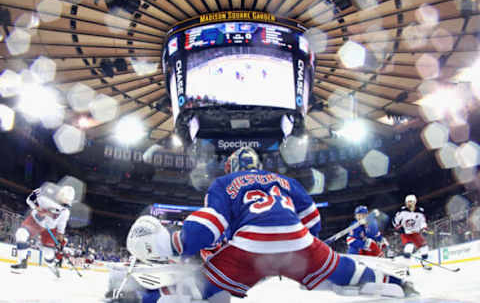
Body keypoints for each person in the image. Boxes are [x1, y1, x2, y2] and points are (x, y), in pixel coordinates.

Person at [127, 147, 417, 302]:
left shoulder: (224, 182)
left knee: (197, 288)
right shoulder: (286, 181)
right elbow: (313, 221)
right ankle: (396, 284)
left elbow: (208, 226)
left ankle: (143, 297)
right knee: (343, 268)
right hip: (299, 242)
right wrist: (307, 247)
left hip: (250, 246)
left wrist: (176, 243)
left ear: (232, 167)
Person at [10, 184, 75, 277]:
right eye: (64, 200)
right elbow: (30, 199)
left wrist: (60, 242)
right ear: (60, 193)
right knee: (21, 234)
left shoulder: (65, 211)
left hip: (50, 228)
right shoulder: (45, 191)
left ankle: (51, 265)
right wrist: (37, 208)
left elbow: (61, 227)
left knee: (48, 253)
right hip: (35, 221)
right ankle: (22, 263)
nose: (64, 204)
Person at [392, 194, 430, 270]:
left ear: (415, 202)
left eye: (411, 202)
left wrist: (424, 229)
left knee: (424, 248)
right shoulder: (402, 211)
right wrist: (398, 228)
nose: (409, 204)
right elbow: (394, 221)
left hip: (416, 234)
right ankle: (406, 268)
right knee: (409, 247)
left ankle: (425, 263)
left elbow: (422, 222)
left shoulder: (420, 211)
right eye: (408, 202)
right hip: (406, 234)